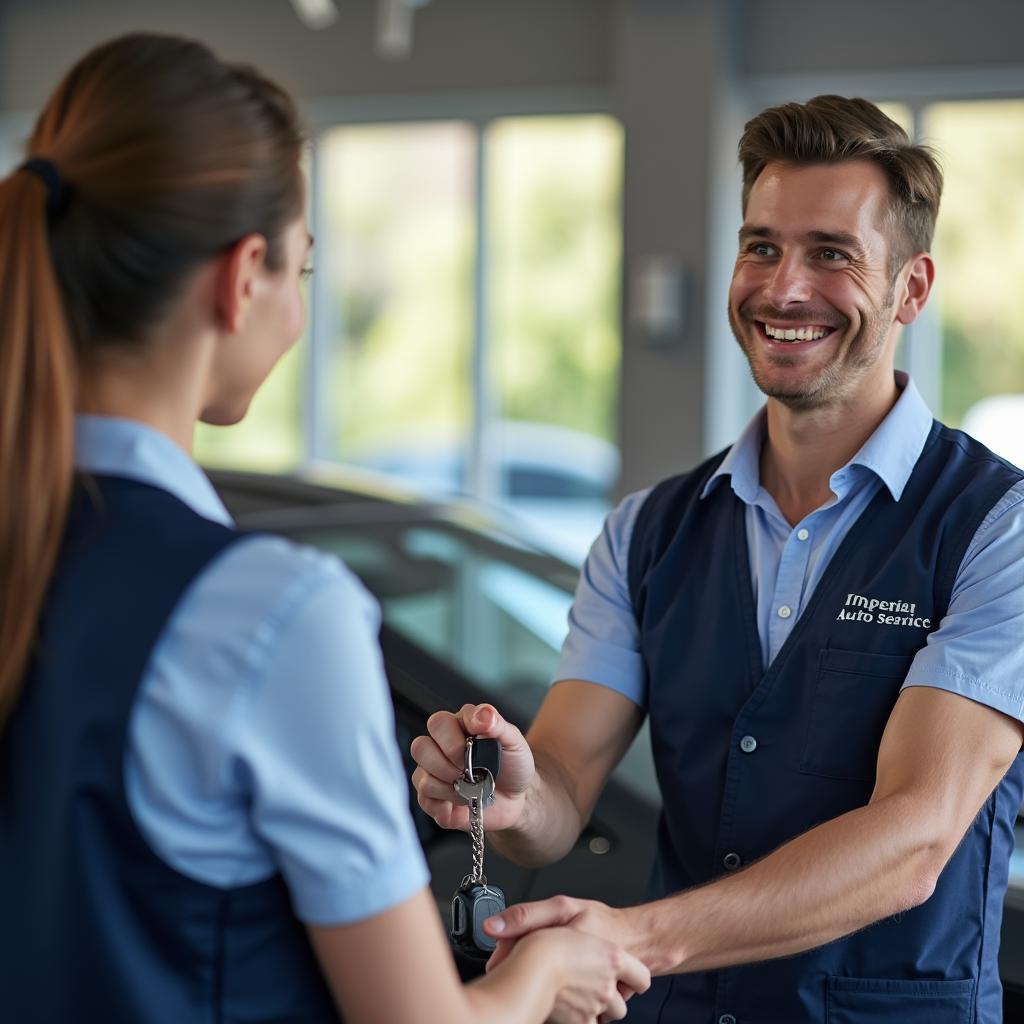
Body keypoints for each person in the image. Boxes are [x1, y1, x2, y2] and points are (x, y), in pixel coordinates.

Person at [0, 33, 650, 1024]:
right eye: (303, 271)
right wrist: (542, 977)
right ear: (242, 274)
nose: (299, 311)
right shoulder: (269, 611)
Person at [412, 95, 1024, 1022]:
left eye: (832, 253)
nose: (784, 289)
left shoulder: (996, 528)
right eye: (762, 246)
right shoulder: (646, 530)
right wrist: (515, 800)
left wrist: (631, 938)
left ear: (912, 288)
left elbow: (916, 837)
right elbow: (566, 787)